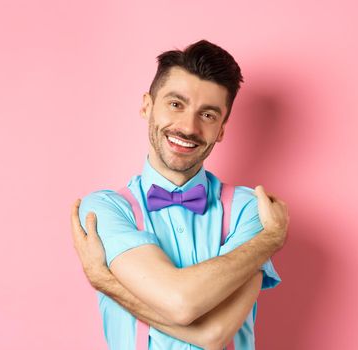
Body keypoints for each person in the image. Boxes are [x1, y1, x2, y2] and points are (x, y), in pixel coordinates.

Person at [70, 39, 289, 350]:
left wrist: (105, 280)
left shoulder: (250, 210)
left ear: (222, 130)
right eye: (176, 104)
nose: (188, 127)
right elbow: (183, 305)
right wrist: (271, 240)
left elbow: (213, 333)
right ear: (147, 106)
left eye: (208, 115)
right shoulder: (104, 210)